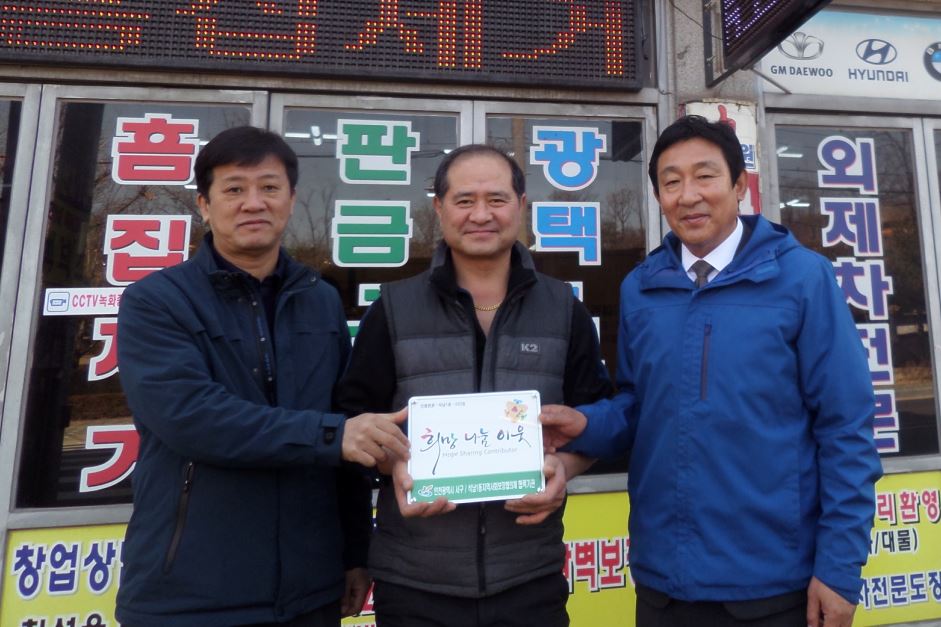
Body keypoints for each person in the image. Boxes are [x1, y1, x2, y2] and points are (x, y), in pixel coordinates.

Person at [541, 115, 882, 627]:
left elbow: (846, 427)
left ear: (739, 185)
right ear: (658, 195)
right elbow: (638, 404)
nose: (689, 195)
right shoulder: (641, 287)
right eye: (671, 182)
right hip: (664, 581)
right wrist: (587, 424)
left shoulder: (801, 279)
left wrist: (839, 568)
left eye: (705, 176)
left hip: (773, 582)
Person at [115, 126, 410, 627]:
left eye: (269, 187)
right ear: (205, 205)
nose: (254, 203)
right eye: (234, 188)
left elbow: (345, 423)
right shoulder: (156, 301)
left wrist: (354, 552)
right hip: (191, 596)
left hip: (311, 593)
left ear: (291, 200)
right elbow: (190, 417)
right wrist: (334, 435)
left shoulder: (320, 300)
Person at [335, 144, 612, 627]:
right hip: (415, 582)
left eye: (496, 199)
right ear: (439, 208)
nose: (481, 215)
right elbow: (351, 424)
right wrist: (393, 462)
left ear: (520, 206)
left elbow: (596, 420)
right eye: (464, 200)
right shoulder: (393, 310)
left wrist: (565, 469)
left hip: (529, 579)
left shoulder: (563, 309)